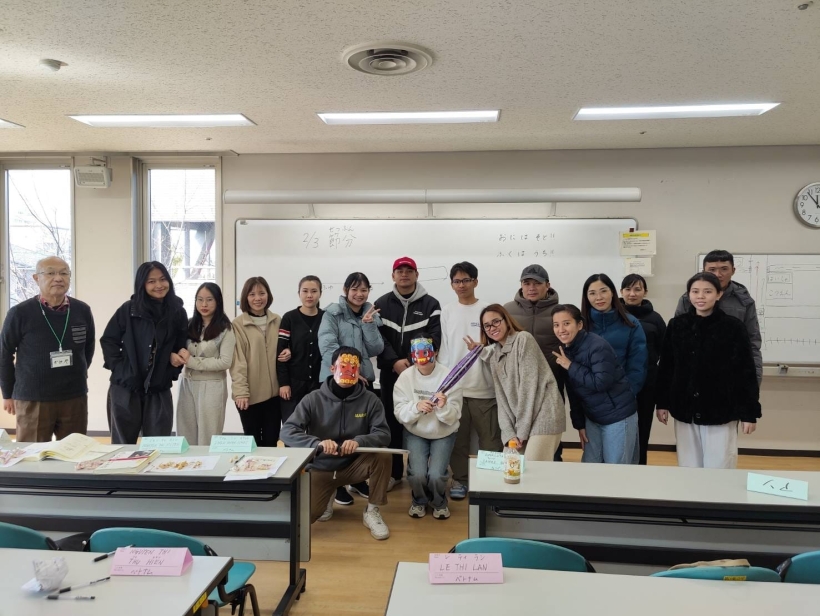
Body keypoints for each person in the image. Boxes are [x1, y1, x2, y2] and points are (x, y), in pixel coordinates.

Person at [281, 346, 392, 540]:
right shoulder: (313, 399)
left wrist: (359, 441)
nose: (349, 371)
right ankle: (328, 495)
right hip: (321, 467)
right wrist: (316, 443)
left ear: (359, 370)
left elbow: (383, 434)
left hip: (353, 465)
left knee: (383, 456)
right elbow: (287, 431)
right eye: (343, 366)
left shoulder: (371, 399)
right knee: (307, 518)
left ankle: (372, 511)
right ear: (332, 368)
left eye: (354, 367)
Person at [656, 272, 761, 469]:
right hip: (684, 407)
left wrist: (749, 413)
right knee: (688, 465)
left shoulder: (733, 327)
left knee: (719, 464)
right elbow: (667, 367)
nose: (701, 296)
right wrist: (662, 403)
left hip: (721, 408)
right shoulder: (677, 325)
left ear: (719, 294)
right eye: (695, 291)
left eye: (707, 291)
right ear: (688, 295)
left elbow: (745, 371)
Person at [0, 256, 95, 442]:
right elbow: (4, 354)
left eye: (64, 273)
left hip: (74, 396)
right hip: (33, 397)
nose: (58, 278)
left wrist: (77, 374)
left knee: (74, 451)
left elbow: (87, 349)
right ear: (36, 278)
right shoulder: (20, 313)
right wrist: (8, 393)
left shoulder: (82, 310)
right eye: (50, 273)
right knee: (32, 453)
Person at [101, 261, 188, 444]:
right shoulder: (128, 309)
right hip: (125, 387)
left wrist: (171, 371)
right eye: (151, 281)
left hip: (159, 387)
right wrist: (120, 369)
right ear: (142, 284)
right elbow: (109, 340)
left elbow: (181, 345)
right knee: (122, 446)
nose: (159, 285)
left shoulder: (177, 312)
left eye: (163, 279)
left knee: (158, 445)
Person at [375, 257, 442, 490]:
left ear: (416, 274)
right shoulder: (381, 303)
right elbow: (377, 338)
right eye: (399, 270)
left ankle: (419, 475)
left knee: (422, 419)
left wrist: (415, 363)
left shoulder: (431, 304)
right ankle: (394, 473)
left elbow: (434, 338)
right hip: (390, 373)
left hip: (421, 374)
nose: (404, 274)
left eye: (409, 270)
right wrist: (394, 361)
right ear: (393, 275)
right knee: (391, 422)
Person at [466, 304, 565, 461]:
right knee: (508, 464)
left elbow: (529, 388)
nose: (492, 328)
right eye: (487, 325)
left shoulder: (523, 339)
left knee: (533, 469)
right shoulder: (495, 356)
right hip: (521, 423)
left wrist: (521, 432)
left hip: (544, 415)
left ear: (506, 321)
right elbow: (502, 399)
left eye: (496, 321)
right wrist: (509, 433)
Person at [318, 272, 383, 505]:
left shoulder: (371, 314)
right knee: (335, 431)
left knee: (359, 431)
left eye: (364, 289)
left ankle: (356, 478)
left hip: (364, 381)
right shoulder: (332, 313)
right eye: (354, 289)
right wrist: (350, 373)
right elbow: (327, 346)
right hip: (336, 382)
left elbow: (376, 349)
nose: (359, 294)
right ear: (346, 290)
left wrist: (368, 325)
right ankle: (336, 483)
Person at [440, 262, 499, 500]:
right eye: (457, 281)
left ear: (475, 281)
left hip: (484, 387)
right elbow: (445, 350)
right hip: (455, 389)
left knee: (490, 441)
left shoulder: (488, 310)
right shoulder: (447, 311)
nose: (461, 285)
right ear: (452, 285)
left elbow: (497, 347)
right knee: (458, 441)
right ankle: (461, 479)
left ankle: (490, 482)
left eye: (466, 280)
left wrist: (480, 350)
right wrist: (443, 386)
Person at [551, 304, 639, 464]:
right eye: (556, 325)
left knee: (616, 469)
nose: (561, 329)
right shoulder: (566, 351)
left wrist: (570, 366)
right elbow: (573, 392)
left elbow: (601, 383)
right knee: (590, 466)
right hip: (593, 417)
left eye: (566, 323)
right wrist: (580, 425)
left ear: (579, 324)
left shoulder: (597, 345)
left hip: (618, 416)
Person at [394, 334, 463, 520]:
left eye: (426, 351)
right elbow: (399, 412)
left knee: (436, 475)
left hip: (443, 432)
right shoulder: (405, 377)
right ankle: (419, 500)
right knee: (417, 474)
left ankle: (439, 502)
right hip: (415, 431)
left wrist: (443, 407)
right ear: (411, 354)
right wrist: (416, 407)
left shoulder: (450, 377)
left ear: (436, 352)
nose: (422, 357)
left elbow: (455, 415)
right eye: (417, 353)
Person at [504, 264, 566, 461]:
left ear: (547, 285)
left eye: (537, 283)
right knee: (519, 436)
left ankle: (553, 465)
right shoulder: (507, 310)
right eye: (526, 283)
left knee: (549, 434)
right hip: (518, 386)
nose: (531, 288)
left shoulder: (560, 311)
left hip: (551, 383)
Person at [675, 249, 763, 383]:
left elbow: (752, 342)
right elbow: (677, 341)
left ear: (733, 270)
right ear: (704, 271)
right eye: (712, 270)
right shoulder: (688, 299)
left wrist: (755, 380)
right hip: (695, 373)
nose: (718, 274)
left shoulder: (744, 301)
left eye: (724, 269)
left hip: (731, 373)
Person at [230, 276, 288, 447]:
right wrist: (241, 392)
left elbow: (286, 345)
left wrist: (289, 350)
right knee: (253, 443)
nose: (257, 298)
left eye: (262, 293)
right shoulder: (237, 324)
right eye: (252, 294)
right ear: (245, 297)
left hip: (275, 395)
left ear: (268, 295)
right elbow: (237, 361)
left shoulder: (277, 320)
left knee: (271, 441)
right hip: (250, 395)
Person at [175, 282, 235, 446]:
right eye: (200, 299)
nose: (204, 304)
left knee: (208, 437)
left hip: (212, 386)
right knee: (185, 435)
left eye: (209, 300)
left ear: (218, 301)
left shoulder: (226, 329)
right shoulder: (188, 324)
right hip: (187, 383)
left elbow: (225, 362)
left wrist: (192, 361)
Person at [620, 274, 666, 465]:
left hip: (647, 384)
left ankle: (640, 467)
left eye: (637, 289)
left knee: (642, 429)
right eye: (628, 289)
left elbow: (665, 353)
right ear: (621, 292)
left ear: (645, 292)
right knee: (619, 431)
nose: (632, 294)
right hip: (619, 383)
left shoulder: (655, 319)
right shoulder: (614, 315)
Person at [581, 274, 648, 400]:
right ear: (587, 297)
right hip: (589, 399)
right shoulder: (580, 325)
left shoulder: (631, 323)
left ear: (612, 292)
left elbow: (638, 363)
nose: (599, 297)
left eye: (603, 291)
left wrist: (628, 391)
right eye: (592, 293)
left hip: (622, 397)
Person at [278, 275, 324, 423]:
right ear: (299, 293)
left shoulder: (326, 318)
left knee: (317, 425)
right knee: (292, 425)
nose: (309, 295)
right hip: (293, 384)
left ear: (320, 293)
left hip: (319, 383)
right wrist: (284, 383)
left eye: (314, 291)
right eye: (305, 291)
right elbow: (280, 353)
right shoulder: (289, 318)